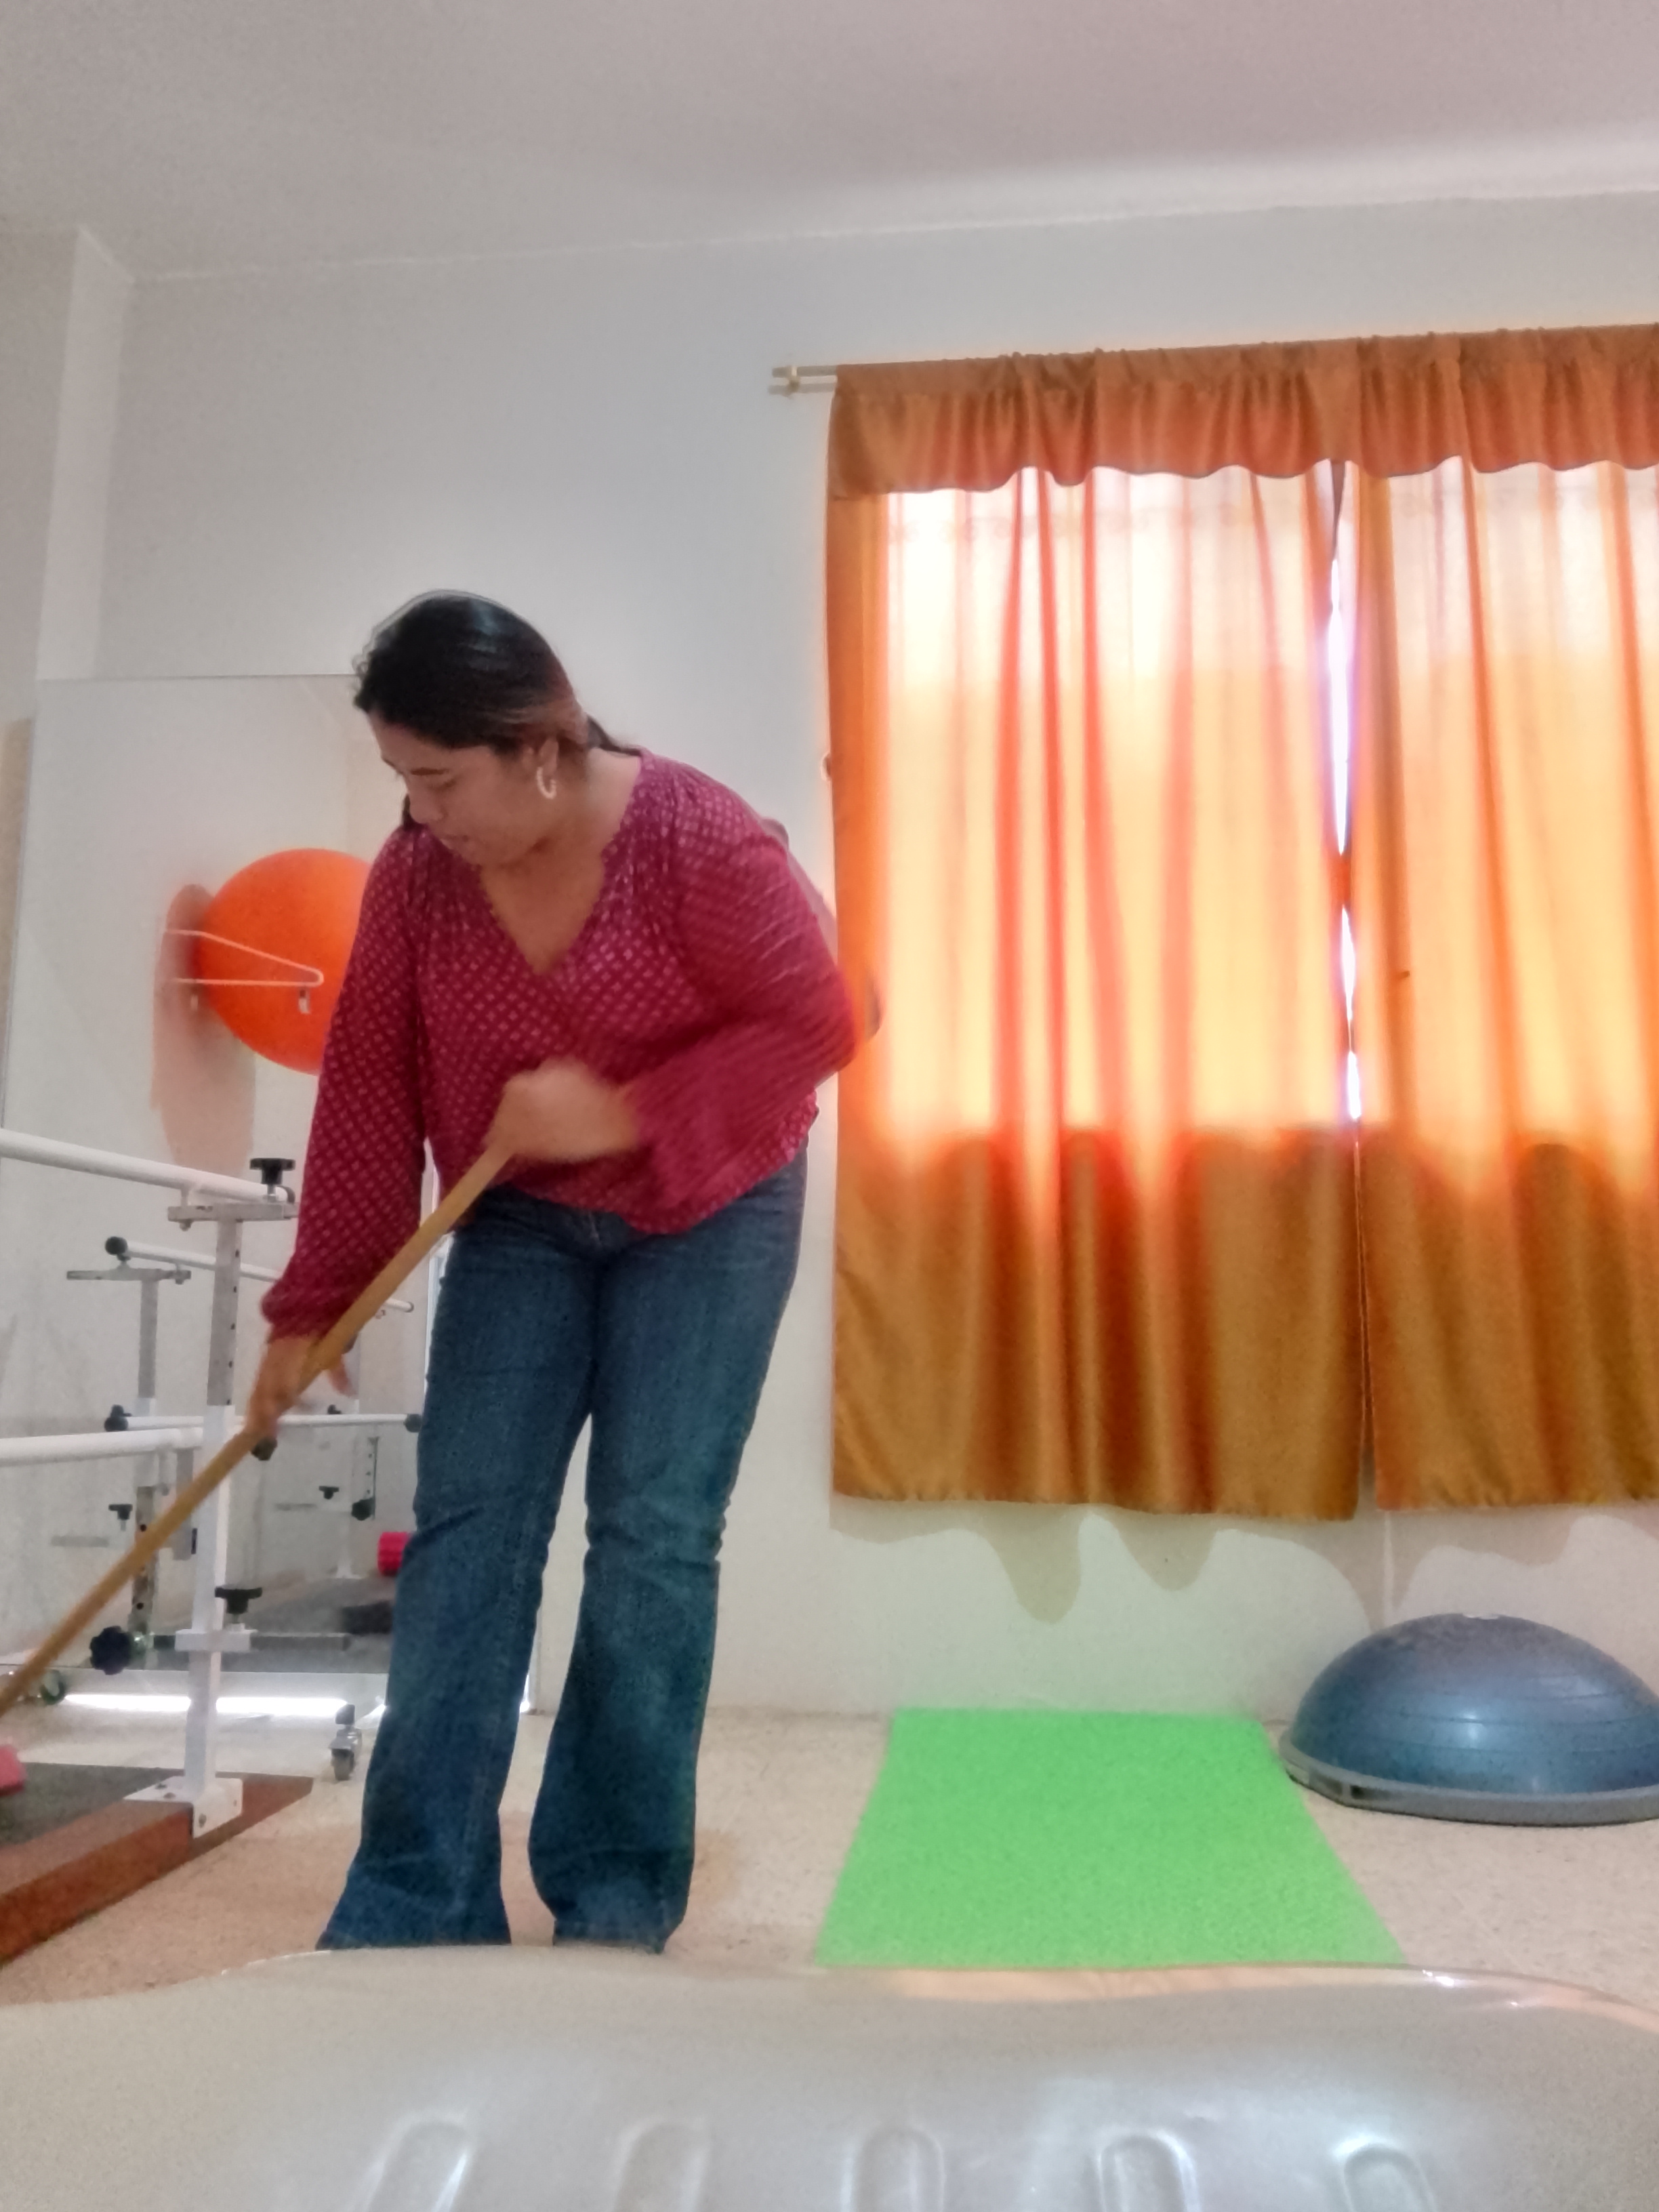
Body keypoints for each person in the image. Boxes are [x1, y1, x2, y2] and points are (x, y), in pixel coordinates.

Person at [247, 592, 857, 1951]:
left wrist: (621, 1111)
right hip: (522, 1218)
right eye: (402, 781)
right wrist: (317, 1302)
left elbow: (820, 1019)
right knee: (469, 1532)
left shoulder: (695, 838)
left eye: (440, 780)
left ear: (539, 749)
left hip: (711, 1203)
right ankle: (418, 1897)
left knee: (651, 1537)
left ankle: (616, 1892)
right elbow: (369, 1086)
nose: (421, 815)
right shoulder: (415, 879)